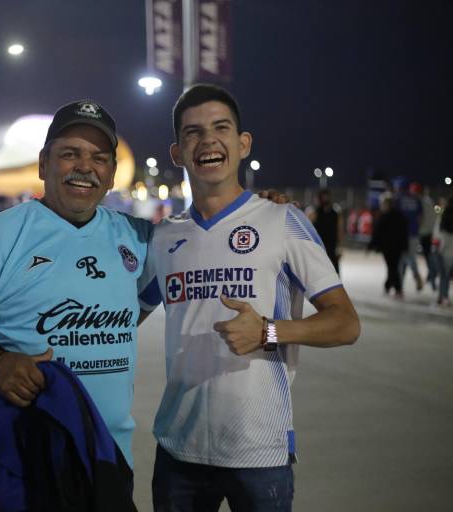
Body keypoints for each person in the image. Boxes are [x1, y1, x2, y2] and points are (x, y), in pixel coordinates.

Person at [137, 84, 360, 511]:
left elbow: (346, 323)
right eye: (193, 132)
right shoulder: (163, 238)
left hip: (259, 453)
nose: (208, 140)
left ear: (243, 144)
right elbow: (119, 319)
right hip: (179, 452)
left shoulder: (282, 220)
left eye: (220, 128)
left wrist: (268, 331)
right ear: (177, 153)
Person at [0, 100, 155, 508]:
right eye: (70, 154)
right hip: (17, 458)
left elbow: (196, 252)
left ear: (110, 174)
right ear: (42, 164)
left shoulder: (137, 237)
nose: (85, 167)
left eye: (99, 158)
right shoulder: (1, 234)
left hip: (107, 459)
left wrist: (266, 209)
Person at [369, 197, 410, 298]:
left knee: (392, 267)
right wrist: (405, 245)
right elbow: (405, 232)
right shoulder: (400, 216)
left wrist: (372, 245)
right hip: (398, 247)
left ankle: (397, 289)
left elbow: (377, 232)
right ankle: (388, 286)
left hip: (388, 247)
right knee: (393, 267)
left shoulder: (384, 217)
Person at [393, 178, 424, 291]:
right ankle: (415, 274)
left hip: (401, 234)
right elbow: (420, 218)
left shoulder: (397, 199)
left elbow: (394, 217)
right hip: (414, 233)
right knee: (411, 257)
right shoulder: (416, 199)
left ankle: (400, 287)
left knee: (400, 260)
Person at [307, 188, 343, 273]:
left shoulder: (335, 213)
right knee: (319, 272)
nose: (325, 199)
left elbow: (339, 230)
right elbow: (308, 231)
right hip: (318, 248)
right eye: (323, 196)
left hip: (331, 247)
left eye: (326, 196)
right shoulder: (314, 213)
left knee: (333, 272)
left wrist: (340, 247)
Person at [412, 183, 439, 289]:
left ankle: (430, 278)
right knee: (428, 256)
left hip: (420, 233)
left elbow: (420, 218)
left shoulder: (420, 202)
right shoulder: (429, 201)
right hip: (428, 232)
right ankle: (431, 278)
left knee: (410, 256)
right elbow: (434, 217)